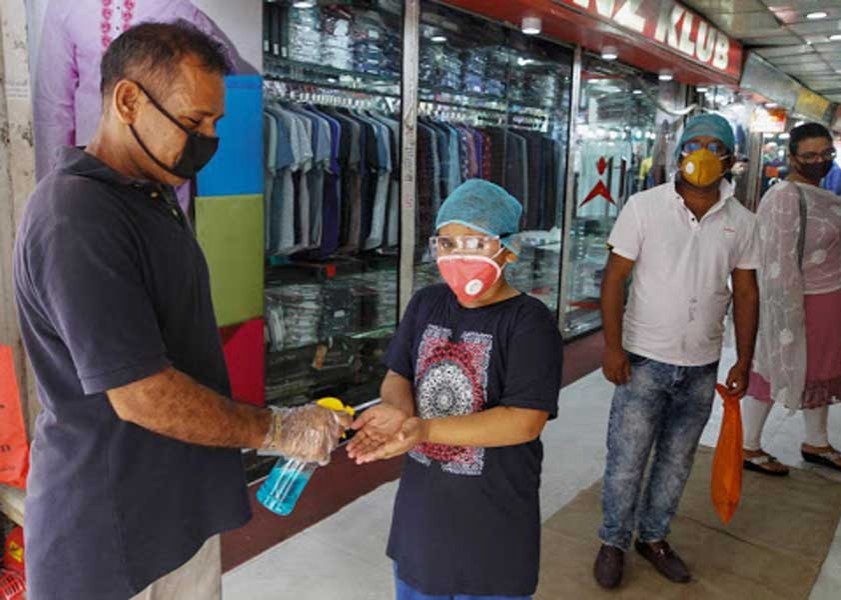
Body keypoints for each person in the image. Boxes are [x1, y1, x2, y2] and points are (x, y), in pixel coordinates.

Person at [14, 23, 348, 600]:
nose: (208, 140)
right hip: (109, 538)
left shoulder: (150, 195)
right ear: (127, 100)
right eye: (194, 123)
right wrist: (276, 428)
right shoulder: (78, 217)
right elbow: (140, 391)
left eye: (216, 124)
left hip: (174, 519)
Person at [347, 179, 564, 600]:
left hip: (494, 526)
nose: (459, 255)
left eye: (475, 243)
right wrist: (397, 412)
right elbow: (399, 376)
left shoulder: (529, 322)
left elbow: (524, 422)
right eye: (447, 244)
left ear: (509, 248)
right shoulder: (427, 303)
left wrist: (423, 430)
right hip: (421, 521)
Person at [592, 114, 760, 590]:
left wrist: (743, 360)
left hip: (702, 365)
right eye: (694, 143)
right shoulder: (644, 207)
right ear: (679, 152)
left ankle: (654, 536)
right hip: (643, 358)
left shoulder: (743, 222)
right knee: (626, 459)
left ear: (730, 158)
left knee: (676, 460)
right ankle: (613, 541)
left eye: (714, 145)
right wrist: (612, 346)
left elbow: (746, 294)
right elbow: (613, 279)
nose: (703, 153)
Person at [32, 0, 254, 211]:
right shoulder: (65, 6)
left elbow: (224, 74)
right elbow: (53, 106)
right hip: (94, 163)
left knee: (162, 238)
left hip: (164, 165)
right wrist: (53, 185)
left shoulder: (178, 9)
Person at [741, 123, 841, 477]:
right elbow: (776, 259)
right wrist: (784, 312)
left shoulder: (828, 195)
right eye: (810, 155)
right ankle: (748, 445)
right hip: (799, 300)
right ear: (792, 157)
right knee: (777, 364)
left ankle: (817, 441)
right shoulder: (784, 195)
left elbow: (834, 228)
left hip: (835, 299)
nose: (819, 161)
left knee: (823, 371)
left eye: (826, 154)